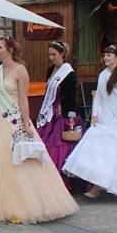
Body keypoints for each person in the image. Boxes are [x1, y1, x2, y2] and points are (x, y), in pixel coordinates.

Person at [0, 37, 78, 224]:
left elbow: (23, 99)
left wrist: (26, 123)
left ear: (9, 49)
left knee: (21, 160)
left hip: (14, 120)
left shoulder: (20, 70)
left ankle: (29, 203)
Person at [64, 45, 117, 202]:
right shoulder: (102, 74)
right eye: (105, 55)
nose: (106, 58)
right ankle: (97, 185)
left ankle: (111, 185)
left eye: (109, 55)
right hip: (104, 117)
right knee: (101, 152)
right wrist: (94, 114)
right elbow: (98, 96)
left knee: (115, 153)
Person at [35, 40, 89, 192]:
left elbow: (71, 98)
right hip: (49, 112)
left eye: (54, 54)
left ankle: (63, 181)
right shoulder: (50, 70)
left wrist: (71, 118)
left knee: (60, 146)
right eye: (49, 54)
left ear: (62, 55)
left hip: (63, 113)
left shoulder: (69, 73)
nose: (51, 57)